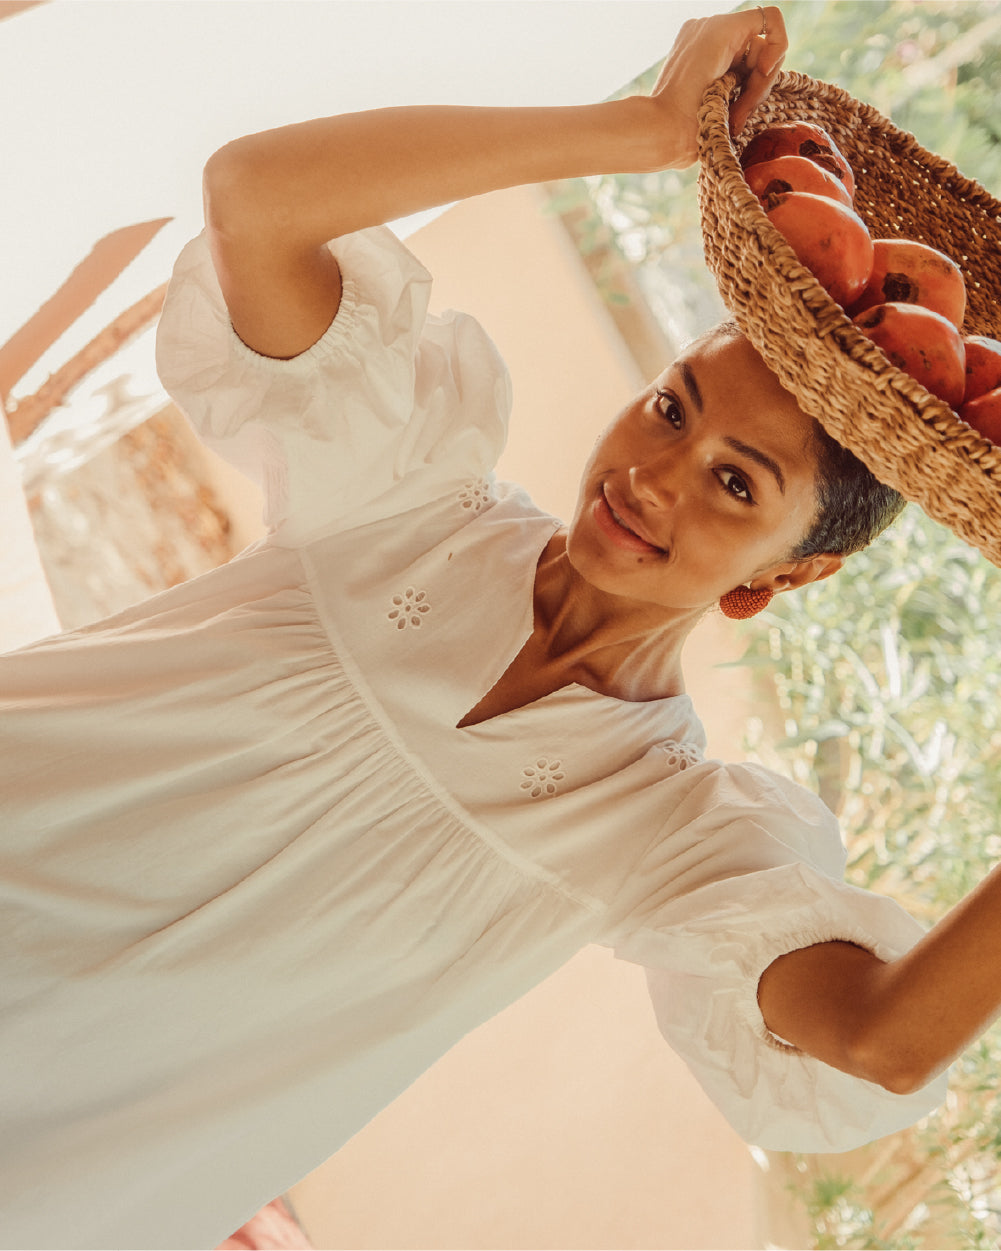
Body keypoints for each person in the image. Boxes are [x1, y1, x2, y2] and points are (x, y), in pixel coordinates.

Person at [3, 7, 1000, 1248]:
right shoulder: (405, 486)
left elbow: (880, 1040)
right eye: (668, 408)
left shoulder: (676, 837)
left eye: (734, 485)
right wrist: (635, 130)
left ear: (778, 581)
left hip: (53, 1156)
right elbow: (253, 195)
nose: (654, 473)